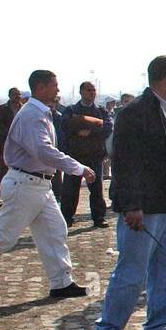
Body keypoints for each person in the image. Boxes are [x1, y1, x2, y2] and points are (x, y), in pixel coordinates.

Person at [93, 55, 166, 330]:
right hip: (145, 204)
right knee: (133, 269)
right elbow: (125, 163)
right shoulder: (135, 113)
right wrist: (131, 205)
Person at [0, 71, 92, 299]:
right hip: (25, 183)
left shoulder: (39, 113)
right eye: (55, 85)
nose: (58, 90)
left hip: (39, 185)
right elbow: (43, 151)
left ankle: (61, 283)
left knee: (55, 231)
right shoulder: (32, 115)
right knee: (4, 237)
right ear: (41, 87)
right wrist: (78, 168)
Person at [59, 81, 110, 227]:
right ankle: (67, 218)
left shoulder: (101, 110)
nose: (92, 93)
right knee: (70, 188)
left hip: (95, 154)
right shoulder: (71, 109)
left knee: (96, 188)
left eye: (94, 90)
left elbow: (107, 126)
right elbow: (66, 125)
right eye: (89, 90)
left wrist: (89, 128)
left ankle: (99, 218)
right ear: (81, 92)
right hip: (75, 155)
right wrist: (93, 125)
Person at [0, 87, 23, 186]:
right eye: (15, 94)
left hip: (21, 147)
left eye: (19, 94)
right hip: (4, 145)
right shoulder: (1, 109)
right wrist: (13, 136)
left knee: (20, 173)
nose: (17, 96)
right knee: (3, 172)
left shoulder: (25, 109)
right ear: (9, 96)